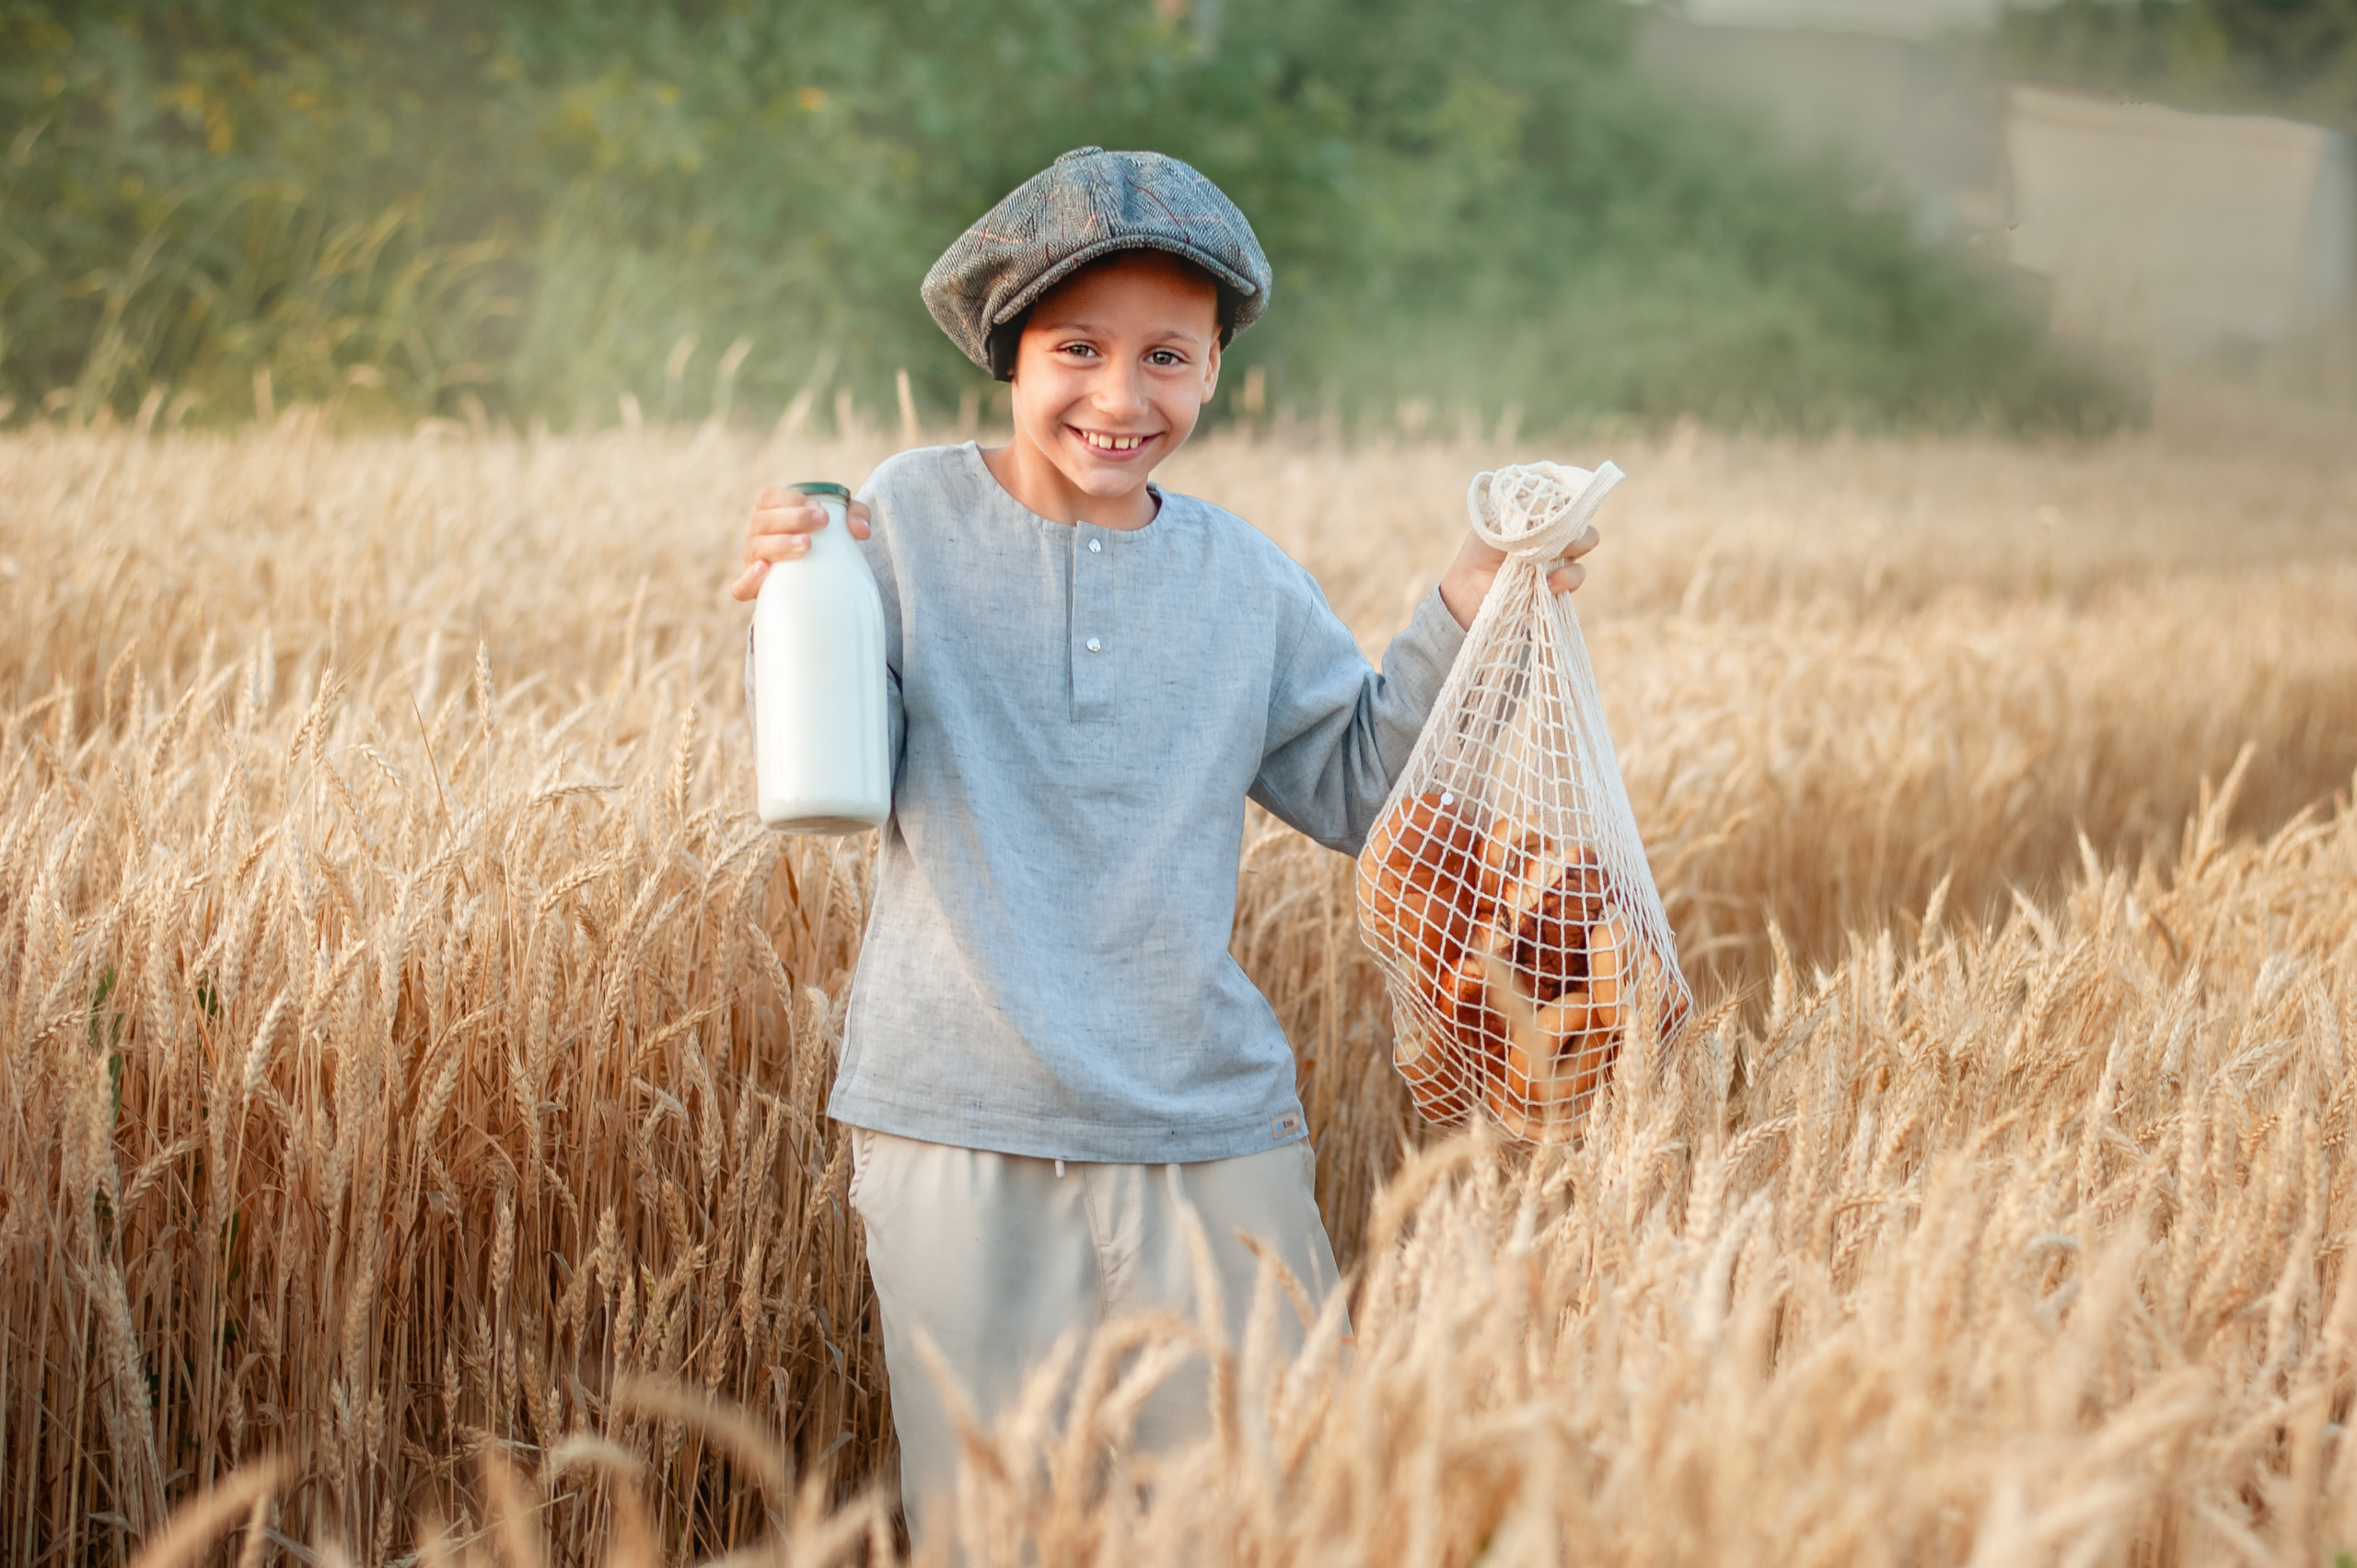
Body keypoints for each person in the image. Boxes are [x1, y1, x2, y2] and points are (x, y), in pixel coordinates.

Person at [730, 146, 1595, 1548]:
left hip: (1210, 1130)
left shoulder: (1242, 578)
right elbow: (829, 756)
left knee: (1267, 1518)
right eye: (1080, 348)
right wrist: (792, 584)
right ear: (1008, 350)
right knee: (997, 1531)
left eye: (1170, 358)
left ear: (1213, 368)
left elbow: (1364, 787)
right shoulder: (905, 524)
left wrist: (1478, 594)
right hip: (960, 1125)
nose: (1124, 398)